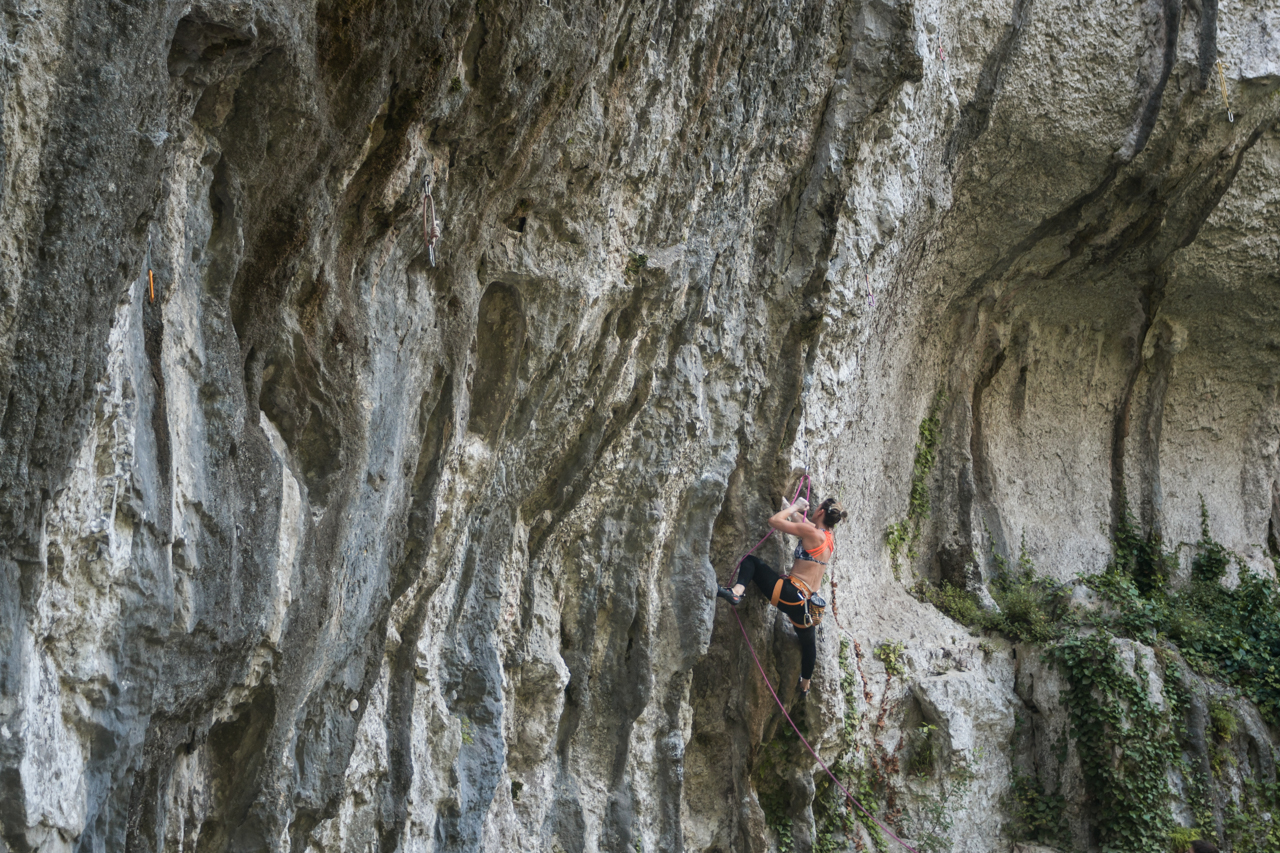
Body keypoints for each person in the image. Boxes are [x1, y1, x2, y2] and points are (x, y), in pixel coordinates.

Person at [717, 495, 845, 697]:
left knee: (750, 561)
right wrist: (790, 508)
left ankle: (736, 593)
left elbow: (775, 522)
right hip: (807, 605)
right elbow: (804, 526)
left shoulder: (811, 532)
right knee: (808, 643)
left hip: (790, 593)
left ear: (820, 512)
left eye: (817, 507)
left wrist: (795, 506)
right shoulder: (829, 539)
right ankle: (804, 685)